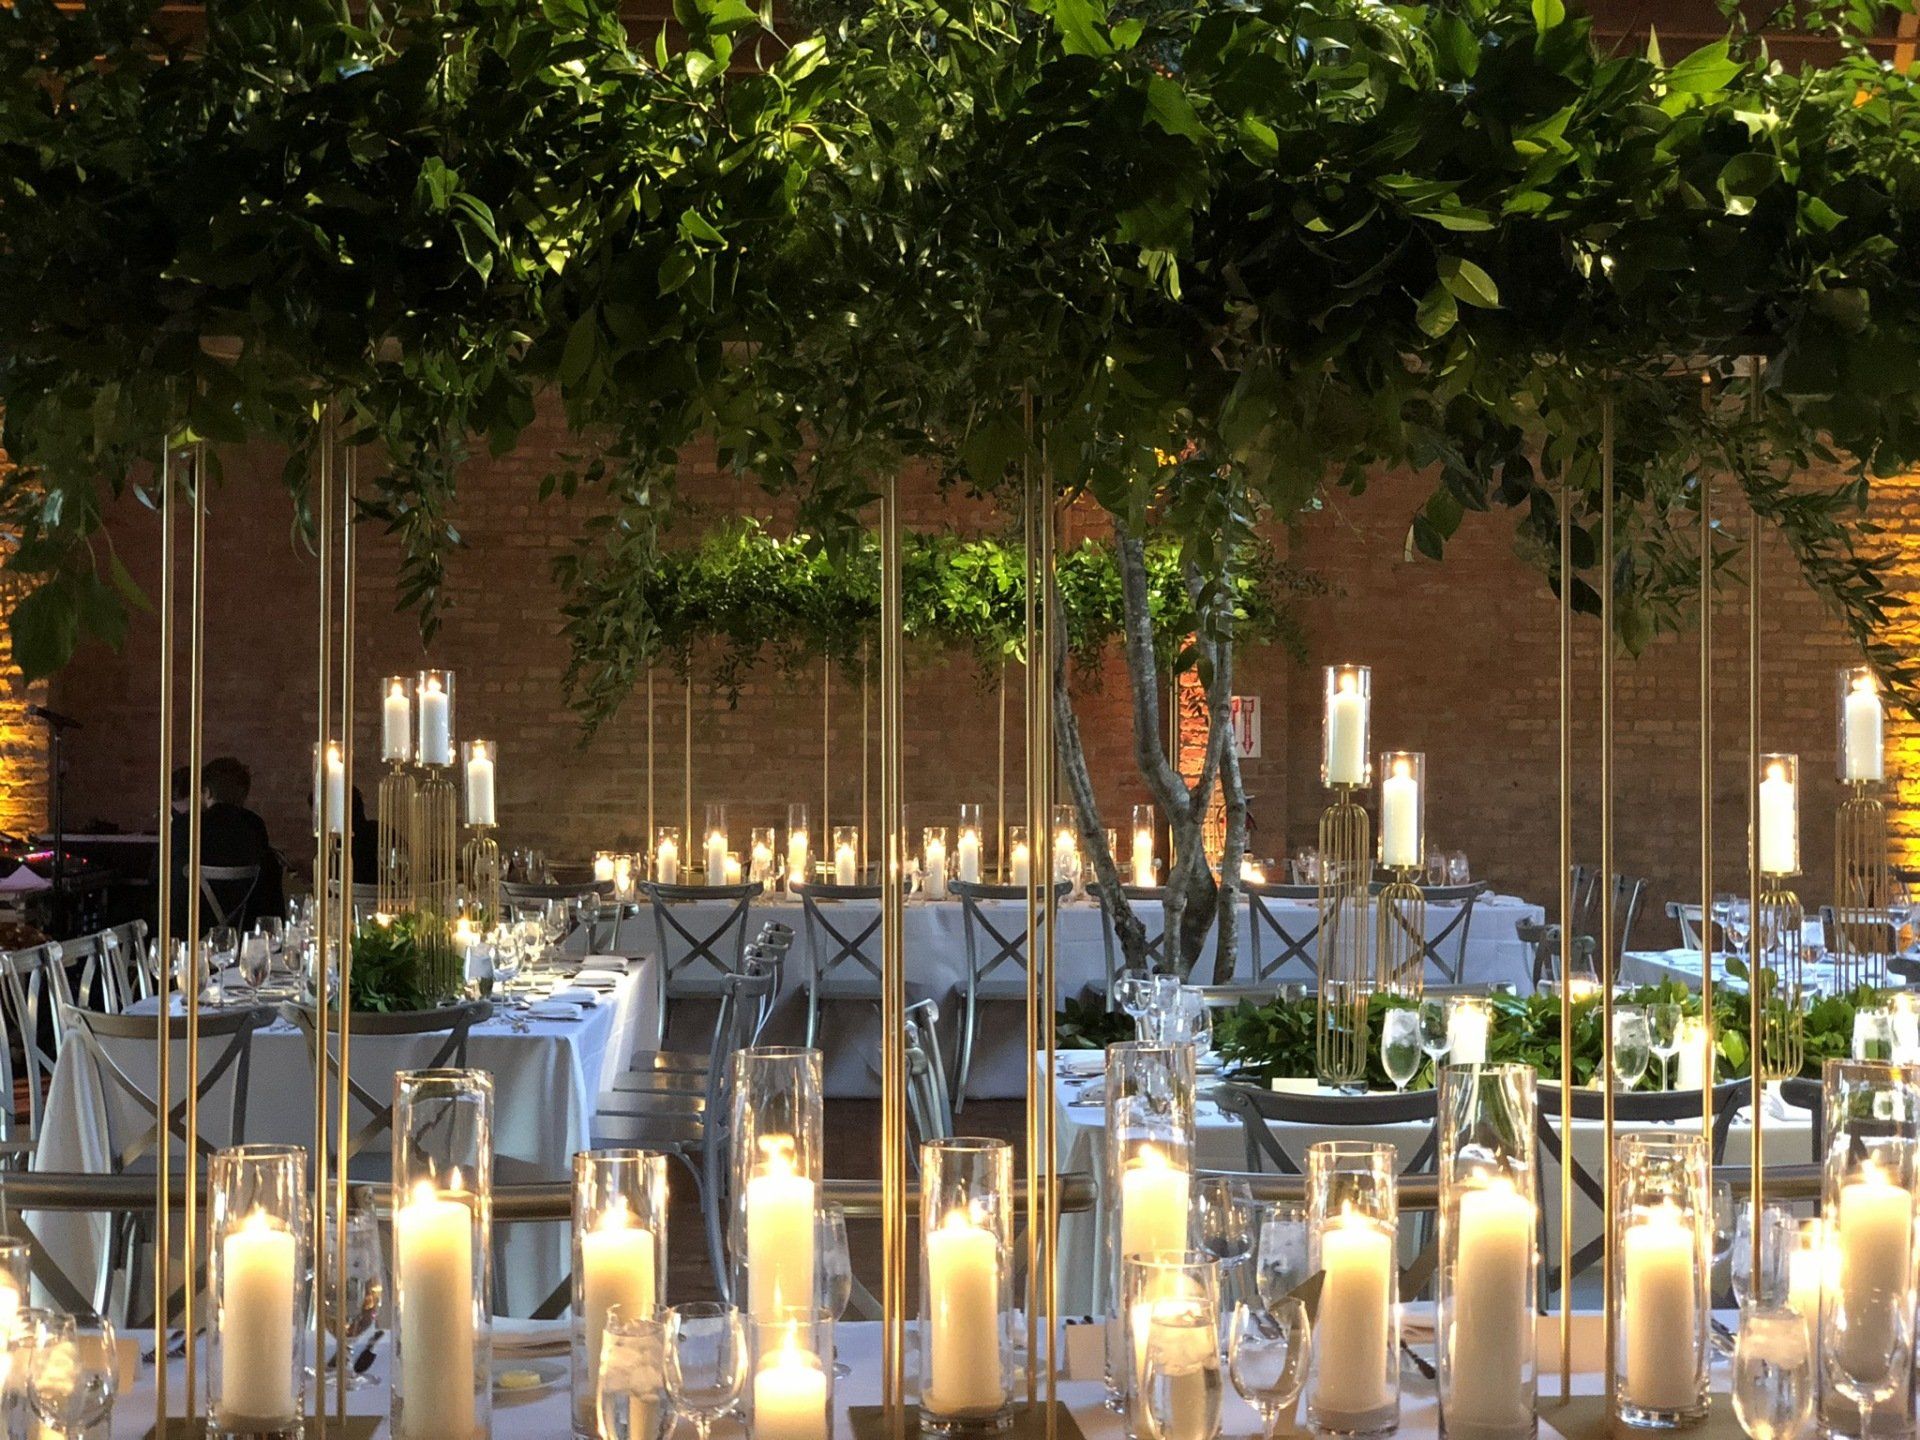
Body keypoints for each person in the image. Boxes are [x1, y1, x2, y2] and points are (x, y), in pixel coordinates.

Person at [169, 756, 286, 935]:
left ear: (207, 792)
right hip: (243, 932)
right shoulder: (254, 825)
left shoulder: (186, 825)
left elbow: (157, 878)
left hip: (189, 933)